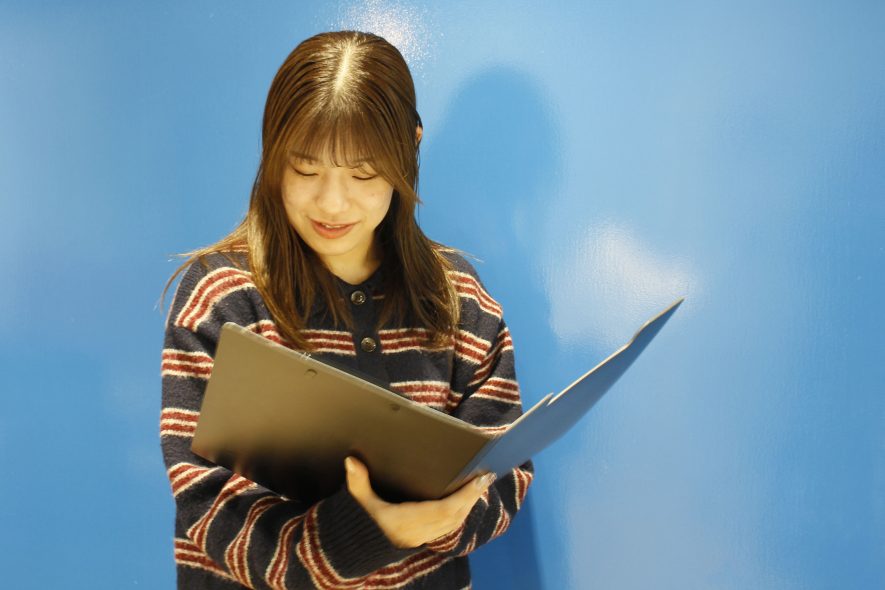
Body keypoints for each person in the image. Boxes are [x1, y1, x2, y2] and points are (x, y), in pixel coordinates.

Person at [160, 30, 533, 589]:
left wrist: (447, 518)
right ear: (272, 152)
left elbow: (506, 468)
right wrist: (364, 535)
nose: (332, 203)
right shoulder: (222, 295)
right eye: (304, 170)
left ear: (410, 147)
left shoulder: (458, 297)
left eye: (363, 173)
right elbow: (205, 500)